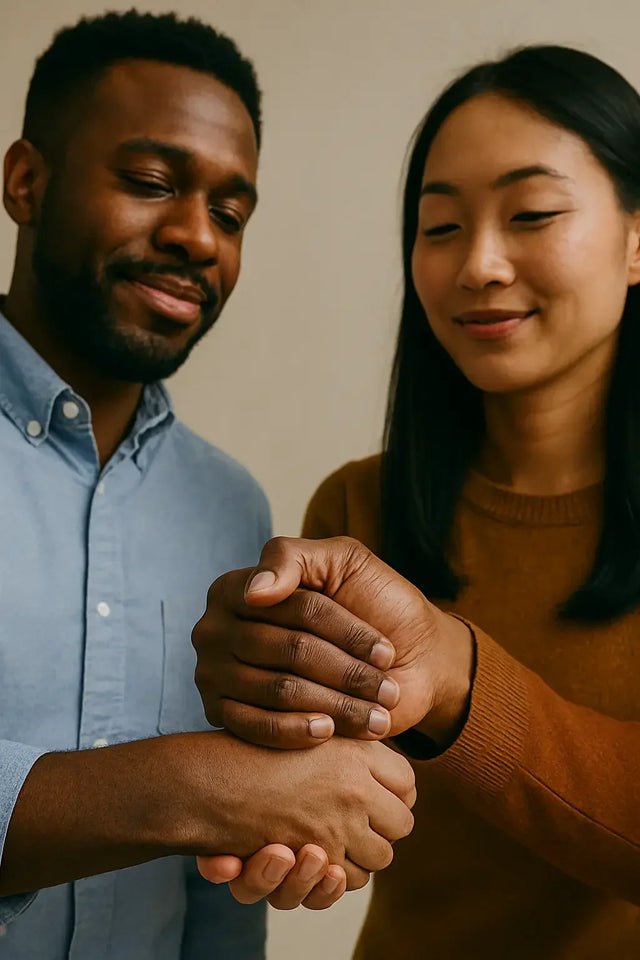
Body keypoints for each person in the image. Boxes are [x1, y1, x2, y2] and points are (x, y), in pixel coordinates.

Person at [193, 44, 640, 958]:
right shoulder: (359, 508)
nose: (479, 264)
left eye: (532, 214)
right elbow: (328, 803)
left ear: (637, 238)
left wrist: (458, 674)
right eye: (440, 227)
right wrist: (279, 797)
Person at [0, 10, 417, 959]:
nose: (197, 236)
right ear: (26, 182)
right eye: (151, 183)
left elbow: (223, 891)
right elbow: (225, 794)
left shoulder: (235, 509)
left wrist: (268, 815)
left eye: (230, 215)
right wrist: (200, 787)